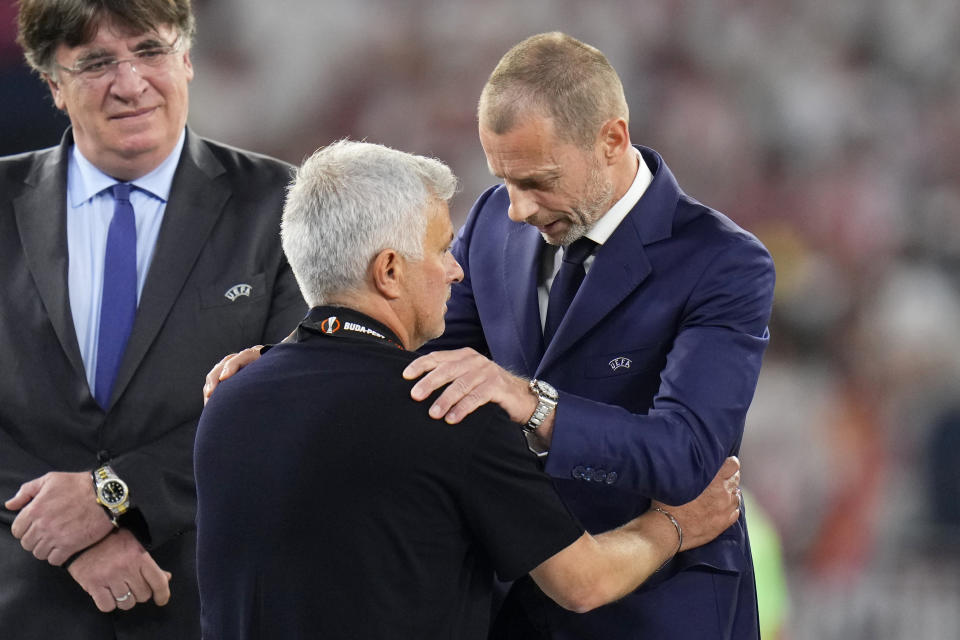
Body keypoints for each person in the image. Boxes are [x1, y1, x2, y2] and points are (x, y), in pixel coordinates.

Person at [207, 32, 775, 639]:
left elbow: (691, 457)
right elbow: (414, 361)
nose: (517, 209)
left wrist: (537, 407)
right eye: (504, 178)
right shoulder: (491, 227)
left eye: (537, 181)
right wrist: (297, 366)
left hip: (656, 607)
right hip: (513, 606)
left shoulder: (724, 262)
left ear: (612, 140)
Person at [0, 1, 306, 637]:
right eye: (95, 63)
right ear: (53, 86)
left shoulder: (281, 206)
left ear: (188, 59)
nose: (130, 83)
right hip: (25, 599)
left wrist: (114, 497)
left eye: (149, 51)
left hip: (205, 603)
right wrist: (66, 531)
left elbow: (291, 408)